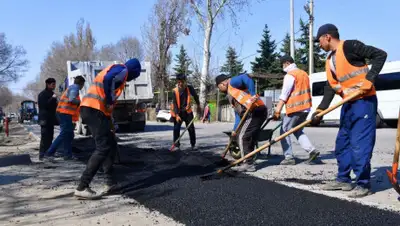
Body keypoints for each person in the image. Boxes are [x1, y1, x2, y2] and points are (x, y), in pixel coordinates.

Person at [311, 23, 387, 198]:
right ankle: (343, 179)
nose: (319, 44)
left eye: (319, 40)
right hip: (348, 104)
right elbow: (331, 87)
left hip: (364, 102)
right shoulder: (330, 60)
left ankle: (363, 183)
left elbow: (380, 55)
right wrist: (321, 109)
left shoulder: (351, 46)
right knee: (343, 143)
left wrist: (370, 79)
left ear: (327, 37)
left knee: (360, 144)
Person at [73, 58, 142, 199]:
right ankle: (82, 186)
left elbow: (107, 97)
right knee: (103, 147)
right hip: (93, 110)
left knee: (110, 143)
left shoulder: (117, 73)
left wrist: (111, 123)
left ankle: (110, 183)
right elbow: (108, 81)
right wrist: (109, 102)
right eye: (134, 76)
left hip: (94, 111)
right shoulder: (123, 69)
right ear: (134, 71)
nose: (131, 80)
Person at [273, 55, 320, 165]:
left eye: (282, 64)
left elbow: (284, 94)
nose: (282, 67)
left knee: (284, 131)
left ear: (287, 63)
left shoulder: (290, 75)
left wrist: (277, 110)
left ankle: (289, 157)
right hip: (305, 108)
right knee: (297, 130)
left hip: (295, 108)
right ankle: (312, 151)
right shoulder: (303, 73)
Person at [215, 73, 267, 172]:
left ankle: (248, 163)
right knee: (241, 134)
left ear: (222, 83)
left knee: (243, 136)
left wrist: (252, 94)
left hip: (255, 110)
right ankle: (249, 159)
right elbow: (238, 116)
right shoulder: (231, 95)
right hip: (253, 113)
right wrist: (235, 131)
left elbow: (246, 77)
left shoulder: (232, 83)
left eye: (219, 87)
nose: (219, 90)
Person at [44, 76, 86, 160]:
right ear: (81, 83)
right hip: (64, 113)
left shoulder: (72, 87)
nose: (83, 86)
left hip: (64, 113)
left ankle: (67, 155)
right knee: (64, 133)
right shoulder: (75, 87)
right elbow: (71, 99)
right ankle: (49, 153)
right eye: (83, 84)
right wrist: (81, 102)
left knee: (69, 134)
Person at [170, 74, 201, 151]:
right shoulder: (175, 91)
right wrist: (177, 115)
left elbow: (195, 96)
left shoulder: (189, 88)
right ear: (177, 81)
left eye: (182, 82)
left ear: (185, 81)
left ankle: (193, 144)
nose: (180, 83)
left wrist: (198, 105)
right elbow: (175, 104)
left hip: (187, 112)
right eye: (179, 82)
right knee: (176, 128)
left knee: (191, 128)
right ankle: (176, 145)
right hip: (178, 112)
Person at [38, 78, 58, 160]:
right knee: (45, 137)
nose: (54, 86)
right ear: (48, 84)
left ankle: (48, 154)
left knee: (50, 137)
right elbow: (44, 106)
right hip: (44, 119)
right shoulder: (42, 94)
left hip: (51, 119)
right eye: (52, 84)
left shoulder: (52, 93)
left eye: (54, 84)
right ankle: (42, 154)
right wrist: (53, 98)